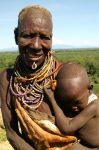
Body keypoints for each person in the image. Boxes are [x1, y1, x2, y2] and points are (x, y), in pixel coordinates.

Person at [0, 4, 98, 150]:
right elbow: (13, 134)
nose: (36, 45)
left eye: (44, 37)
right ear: (16, 36)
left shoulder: (66, 77)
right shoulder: (7, 80)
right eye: (27, 35)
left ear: (51, 38)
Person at [44, 62, 99, 149]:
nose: (73, 107)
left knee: (69, 147)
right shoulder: (82, 96)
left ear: (89, 89)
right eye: (67, 102)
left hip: (93, 148)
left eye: (77, 102)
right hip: (83, 143)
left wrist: (52, 99)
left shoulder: (94, 106)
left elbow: (67, 128)